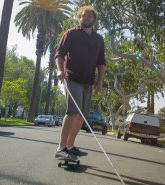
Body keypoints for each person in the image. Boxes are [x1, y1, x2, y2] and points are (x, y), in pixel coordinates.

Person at [54, 6, 106, 159]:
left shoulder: (99, 39)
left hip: (88, 82)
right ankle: (61, 147)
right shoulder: (71, 33)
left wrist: (100, 80)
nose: (87, 18)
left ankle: (70, 146)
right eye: (84, 15)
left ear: (94, 19)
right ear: (79, 18)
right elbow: (59, 54)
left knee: (82, 115)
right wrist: (59, 70)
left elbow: (101, 62)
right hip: (72, 78)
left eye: (89, 16)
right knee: (72, 112)